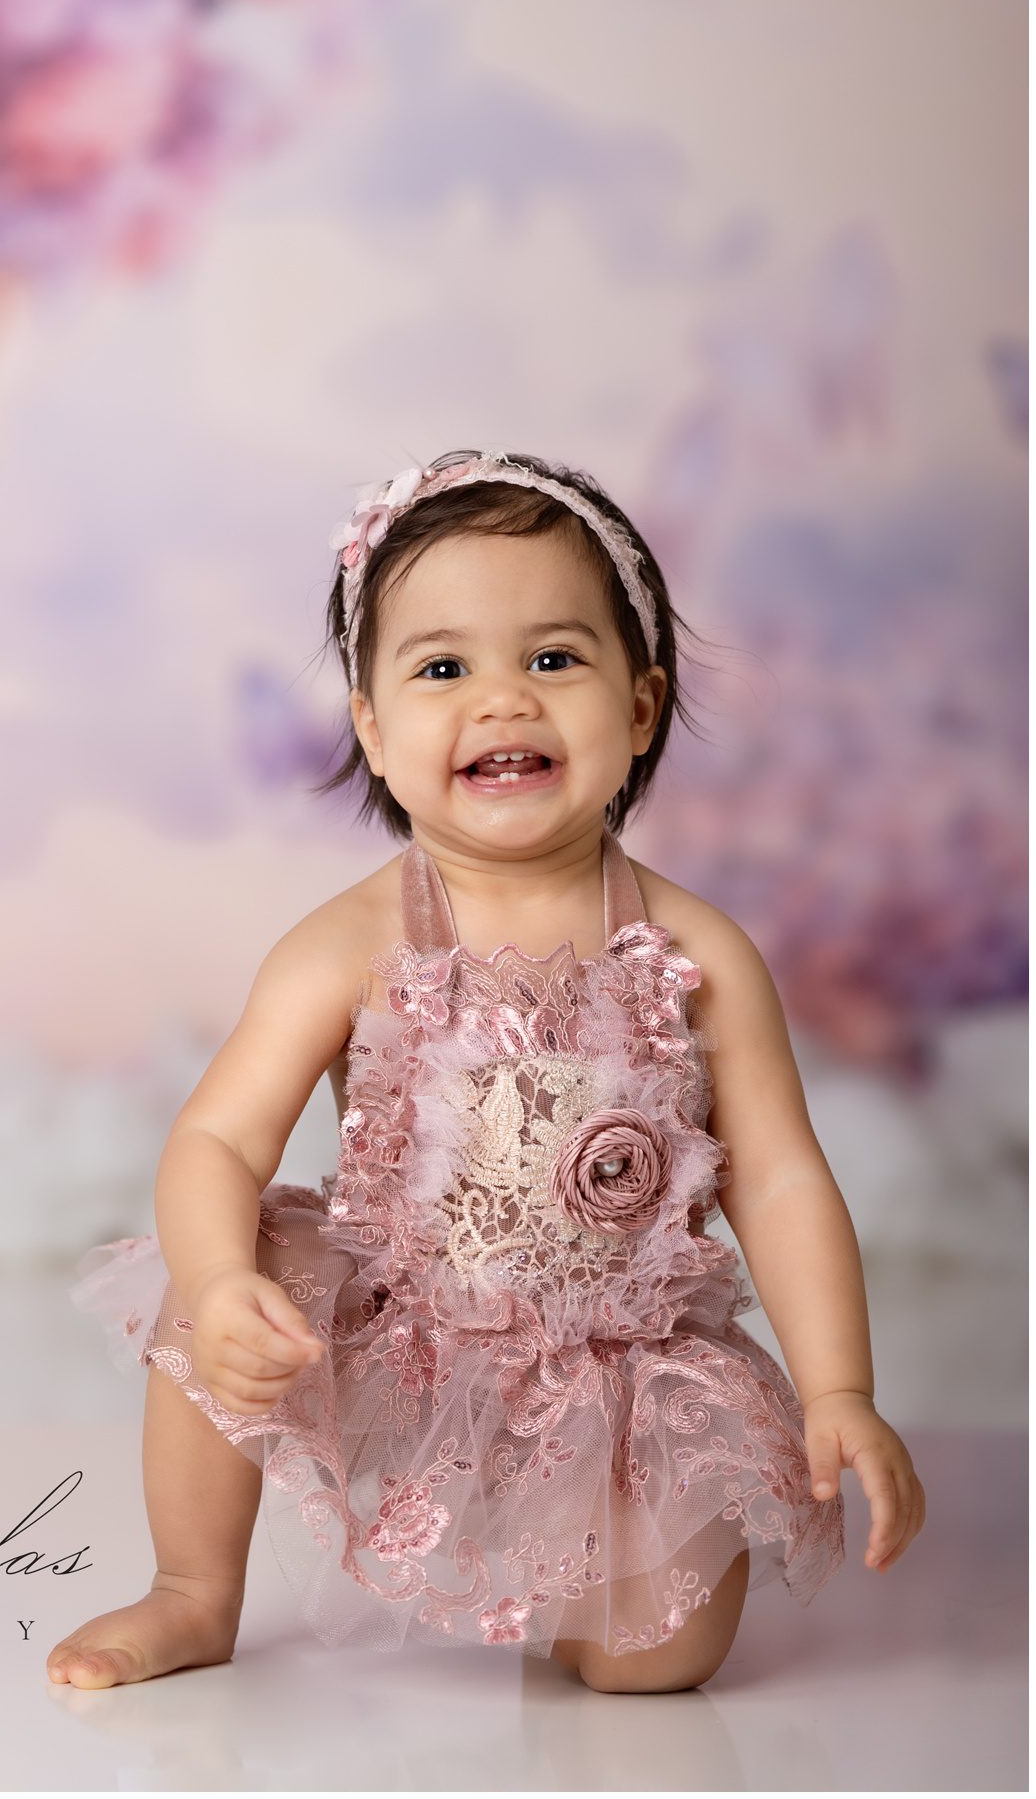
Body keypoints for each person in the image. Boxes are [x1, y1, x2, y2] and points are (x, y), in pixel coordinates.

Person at [50, 448, 926, 1694]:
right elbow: (216, 1143)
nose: (503, 698)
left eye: (554, 658)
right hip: (398, 1330)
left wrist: (837, 1385)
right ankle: (191, 1586)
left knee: (653, 1667)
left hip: (612, 1359)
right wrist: (217, 1272)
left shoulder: (698, 956)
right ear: (371, 723)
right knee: (218, 1287)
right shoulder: (347, 944)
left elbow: (778, 1180)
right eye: (443, 666)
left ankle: (575, 1579)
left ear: (637, 708)